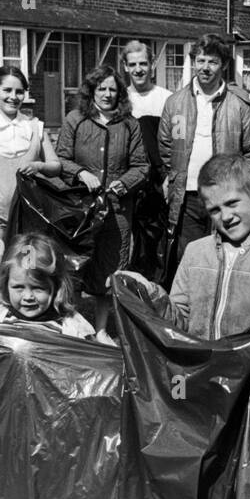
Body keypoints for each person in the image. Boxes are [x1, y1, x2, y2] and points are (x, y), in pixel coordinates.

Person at [120, 155, 250, 339]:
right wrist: (150, 293)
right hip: (199, 364)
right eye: (215, 210)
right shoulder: (195, 251)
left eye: (232, 203)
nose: (226, 216)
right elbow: (179, 323)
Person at [158, 34, 250, 277]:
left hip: (227, 197)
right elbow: (165, 146)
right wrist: (175, 177)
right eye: (201, 60)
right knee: (191, 259)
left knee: (226, 256)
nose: (205, 68)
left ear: (224, 65)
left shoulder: (239, 105)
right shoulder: (175, 103)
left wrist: (236, 189)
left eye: (212, 62)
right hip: (189, 198)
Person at [55, 64, 149, 333]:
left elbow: (142, 166)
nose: (107, 94)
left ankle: (102, 330)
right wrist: (81, 173)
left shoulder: (129, 124)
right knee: (74, 267)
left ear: (120, 94)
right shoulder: (75, 119)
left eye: (113, 89)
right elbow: (61, 158)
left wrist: (123, 184)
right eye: (102, 88)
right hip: (80, 209)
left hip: (116, 211)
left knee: (110, 269)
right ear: (91, 91)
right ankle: (71, 327)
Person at [0, 66, 61, 243]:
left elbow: (55, 166)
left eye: (19, 92)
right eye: (7, 90)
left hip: (28, 217)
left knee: (25, 268)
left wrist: (39, 165)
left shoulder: (35, 127)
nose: (13, 97)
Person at [0, 233, 97, 339]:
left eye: (38, 288)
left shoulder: (73, 326)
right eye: (18, 287)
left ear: (57, 287)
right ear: (5, 284)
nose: (28, 296)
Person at [123, 40, 173, 280]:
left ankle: (156, 290)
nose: (138, 69)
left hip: (156, 180)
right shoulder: (120, 99)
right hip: (127, 179)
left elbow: (176, 142)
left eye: (143, 63)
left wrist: (168, 176)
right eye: (133, 64)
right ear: (125, 67)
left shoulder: (167, 99)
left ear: (152, 65)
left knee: (153, 239)